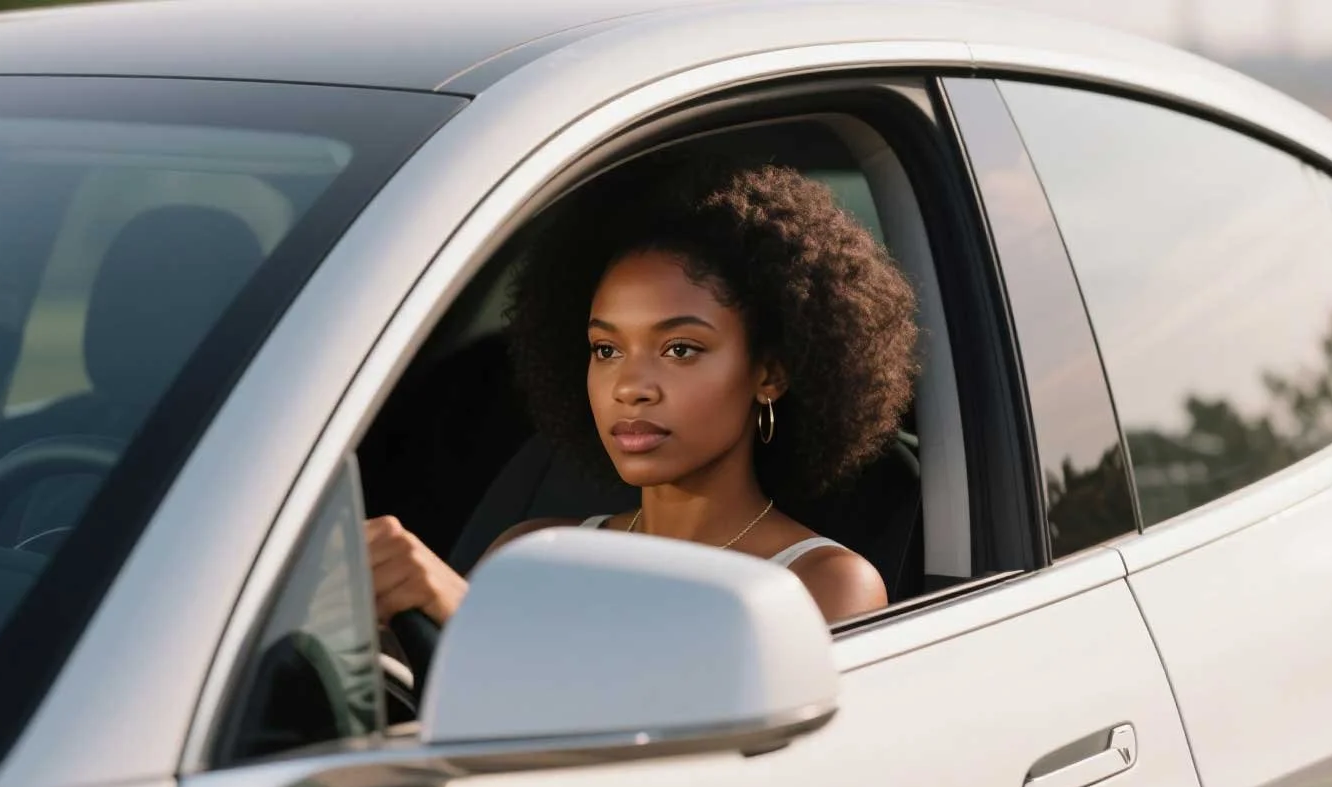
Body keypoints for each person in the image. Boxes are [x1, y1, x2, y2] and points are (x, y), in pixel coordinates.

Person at [364, 157, 919, 625]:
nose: (629, 387)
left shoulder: (822, 584)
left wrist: (466, 615)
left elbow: (680, 754)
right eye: (606, 350)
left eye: (680, 349)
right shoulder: (527, 551)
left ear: (769, 373)